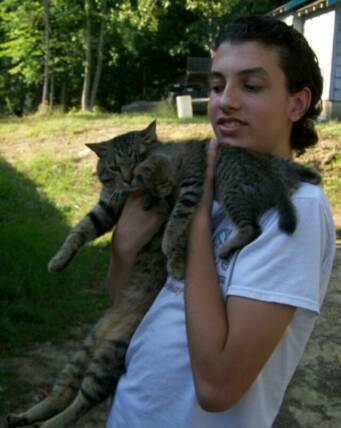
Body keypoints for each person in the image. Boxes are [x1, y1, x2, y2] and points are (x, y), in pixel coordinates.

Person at [105, 16, 336, 428]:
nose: (225, 101)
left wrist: (192, 217)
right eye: (215, 86)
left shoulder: (295, 208)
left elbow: (217, 387)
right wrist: (123, 251)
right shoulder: (210, 182)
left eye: (251, 86)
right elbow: (126, 315)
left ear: (296, 104)